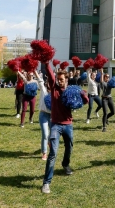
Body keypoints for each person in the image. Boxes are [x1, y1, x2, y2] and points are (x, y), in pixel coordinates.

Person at [41, 63, 88, 194]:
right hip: (55, 125)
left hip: (68, 125)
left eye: (62, 79)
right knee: (53, 154)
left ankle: (65, 164)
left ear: (66, 80)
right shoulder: (54, 88)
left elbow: (85, 101)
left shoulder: (71, 92)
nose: (60, 81)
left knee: (69, 147)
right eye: (58, 79)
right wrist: (46, 62)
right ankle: (46, 183)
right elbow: (50, 75)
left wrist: (83, 95)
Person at [37, 72, 51, 160]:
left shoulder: (55, 92)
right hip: (43, 115)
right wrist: (34, 71)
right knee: (45, 134)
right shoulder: (44, 90)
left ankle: (49, 142)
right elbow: (40, 81)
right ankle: (44, 153)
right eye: (48, 82)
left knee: (52, 134)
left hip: (53, 116)